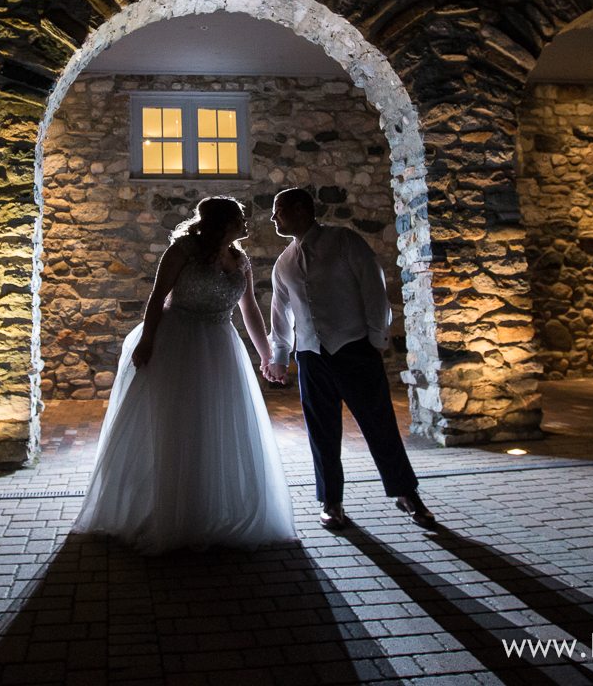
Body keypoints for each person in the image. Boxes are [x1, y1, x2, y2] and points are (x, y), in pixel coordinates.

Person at [73, 196, 296, 553]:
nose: (247, 222)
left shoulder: (240, 260)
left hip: (221, 345)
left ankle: (212, 510)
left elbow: (250, 308)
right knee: (177, 426)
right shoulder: (182, 251)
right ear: (223, 222)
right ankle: (168, 512)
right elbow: (157, 297)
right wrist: (147, 341)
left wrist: (266, 355)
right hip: (178, 343)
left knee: (217, 424)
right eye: (240, 217)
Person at [263, 186, 435, 531]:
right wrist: (280, 355)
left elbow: (374, 287)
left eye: (278, 210)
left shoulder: (345, 242)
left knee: (379, 425)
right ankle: (331, 502)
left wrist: (376, 338)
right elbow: (280, 312)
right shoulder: (284, 262)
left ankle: (407, 494)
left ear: (300, 209)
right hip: (312, 357)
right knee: (321, 433)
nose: (273, 217)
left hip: (355, 349)